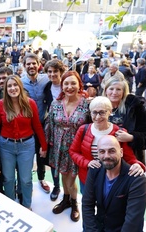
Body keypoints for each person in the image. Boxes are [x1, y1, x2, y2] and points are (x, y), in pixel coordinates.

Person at [0, 75, 47, 210]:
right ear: (6, 89)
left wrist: (44, 146)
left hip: (26, 146)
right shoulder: (1, 104)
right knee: (9, 179)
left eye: (15, 85)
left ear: (20, 87)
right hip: (6, 146)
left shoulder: (30, 103)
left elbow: (37, 126)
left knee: (26, 179)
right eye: (9, 86)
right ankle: (11, 207)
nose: (13, 88)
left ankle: (27, 205)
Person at [70, 96, 146, 194]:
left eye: (102, 112)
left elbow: (128, 156)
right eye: (94, 112)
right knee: (88, 204)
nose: (97, 117)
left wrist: (137, 164)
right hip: (88, 178)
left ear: (109, 112)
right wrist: (87, 163)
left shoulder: (119, 132)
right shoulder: (83, 130)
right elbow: (73, 151)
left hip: (112, 180)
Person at [44, 70, 89, 221]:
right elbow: (49, 124)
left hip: (77, 148)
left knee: (72, 179)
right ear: (62, 86)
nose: (69, 87)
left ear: (79, 85)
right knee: (64, 175)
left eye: (73, 83)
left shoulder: (86, 104)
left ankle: (75, 203)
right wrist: (45, 145)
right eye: (66, 83)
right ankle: (66, 199)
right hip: (59, 148)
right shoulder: (55, 103)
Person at [82, 135, 146, 232]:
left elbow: (132, 222)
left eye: (112, 151)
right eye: (102, 151)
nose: (106, 156)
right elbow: (87, 204)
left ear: (121, 152)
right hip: (99, 227)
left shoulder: (137, 180)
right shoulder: (95, 170)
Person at [103, 75, 146, 164]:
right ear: (106, 91)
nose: (114, 92)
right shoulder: (97, 108)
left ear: (124, 92)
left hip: (129, 161)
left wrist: (131, 137)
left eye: (118, 89)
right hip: (103, 159)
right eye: (111, 89)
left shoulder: (135, 108)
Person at [21, 53, 50, 194]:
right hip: (26, 126)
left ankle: (41, 178)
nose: (31, 66)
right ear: (24, 66)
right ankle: (24, 183)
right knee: (25, 156)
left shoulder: (46, 79)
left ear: (39, 64)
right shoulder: (20, 82)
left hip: (43, 123)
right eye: (28, 64)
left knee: (41, 154)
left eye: (34, 63)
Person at [43, 60, 65, 201]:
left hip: (69, 128)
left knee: (69, 162)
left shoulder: (68, 85)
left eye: (55, 71)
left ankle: (69, 193)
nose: (52, 74)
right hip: (54, 129)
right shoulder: (46, 88)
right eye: (49, 72)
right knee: (54, 160)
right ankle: (56, 186)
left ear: (60, 72)